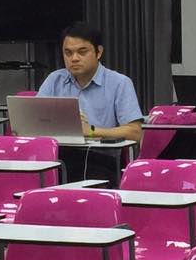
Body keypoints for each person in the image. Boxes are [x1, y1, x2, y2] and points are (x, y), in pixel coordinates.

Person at [38, 22, 143, 184]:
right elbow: (35, 121)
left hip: (101, 159)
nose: (74, 58)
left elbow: (135, 132)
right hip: (57, 157)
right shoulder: (54, 80)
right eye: (68, 53)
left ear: (98, 52)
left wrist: (91, 131)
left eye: (82, 52)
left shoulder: (119, 83)